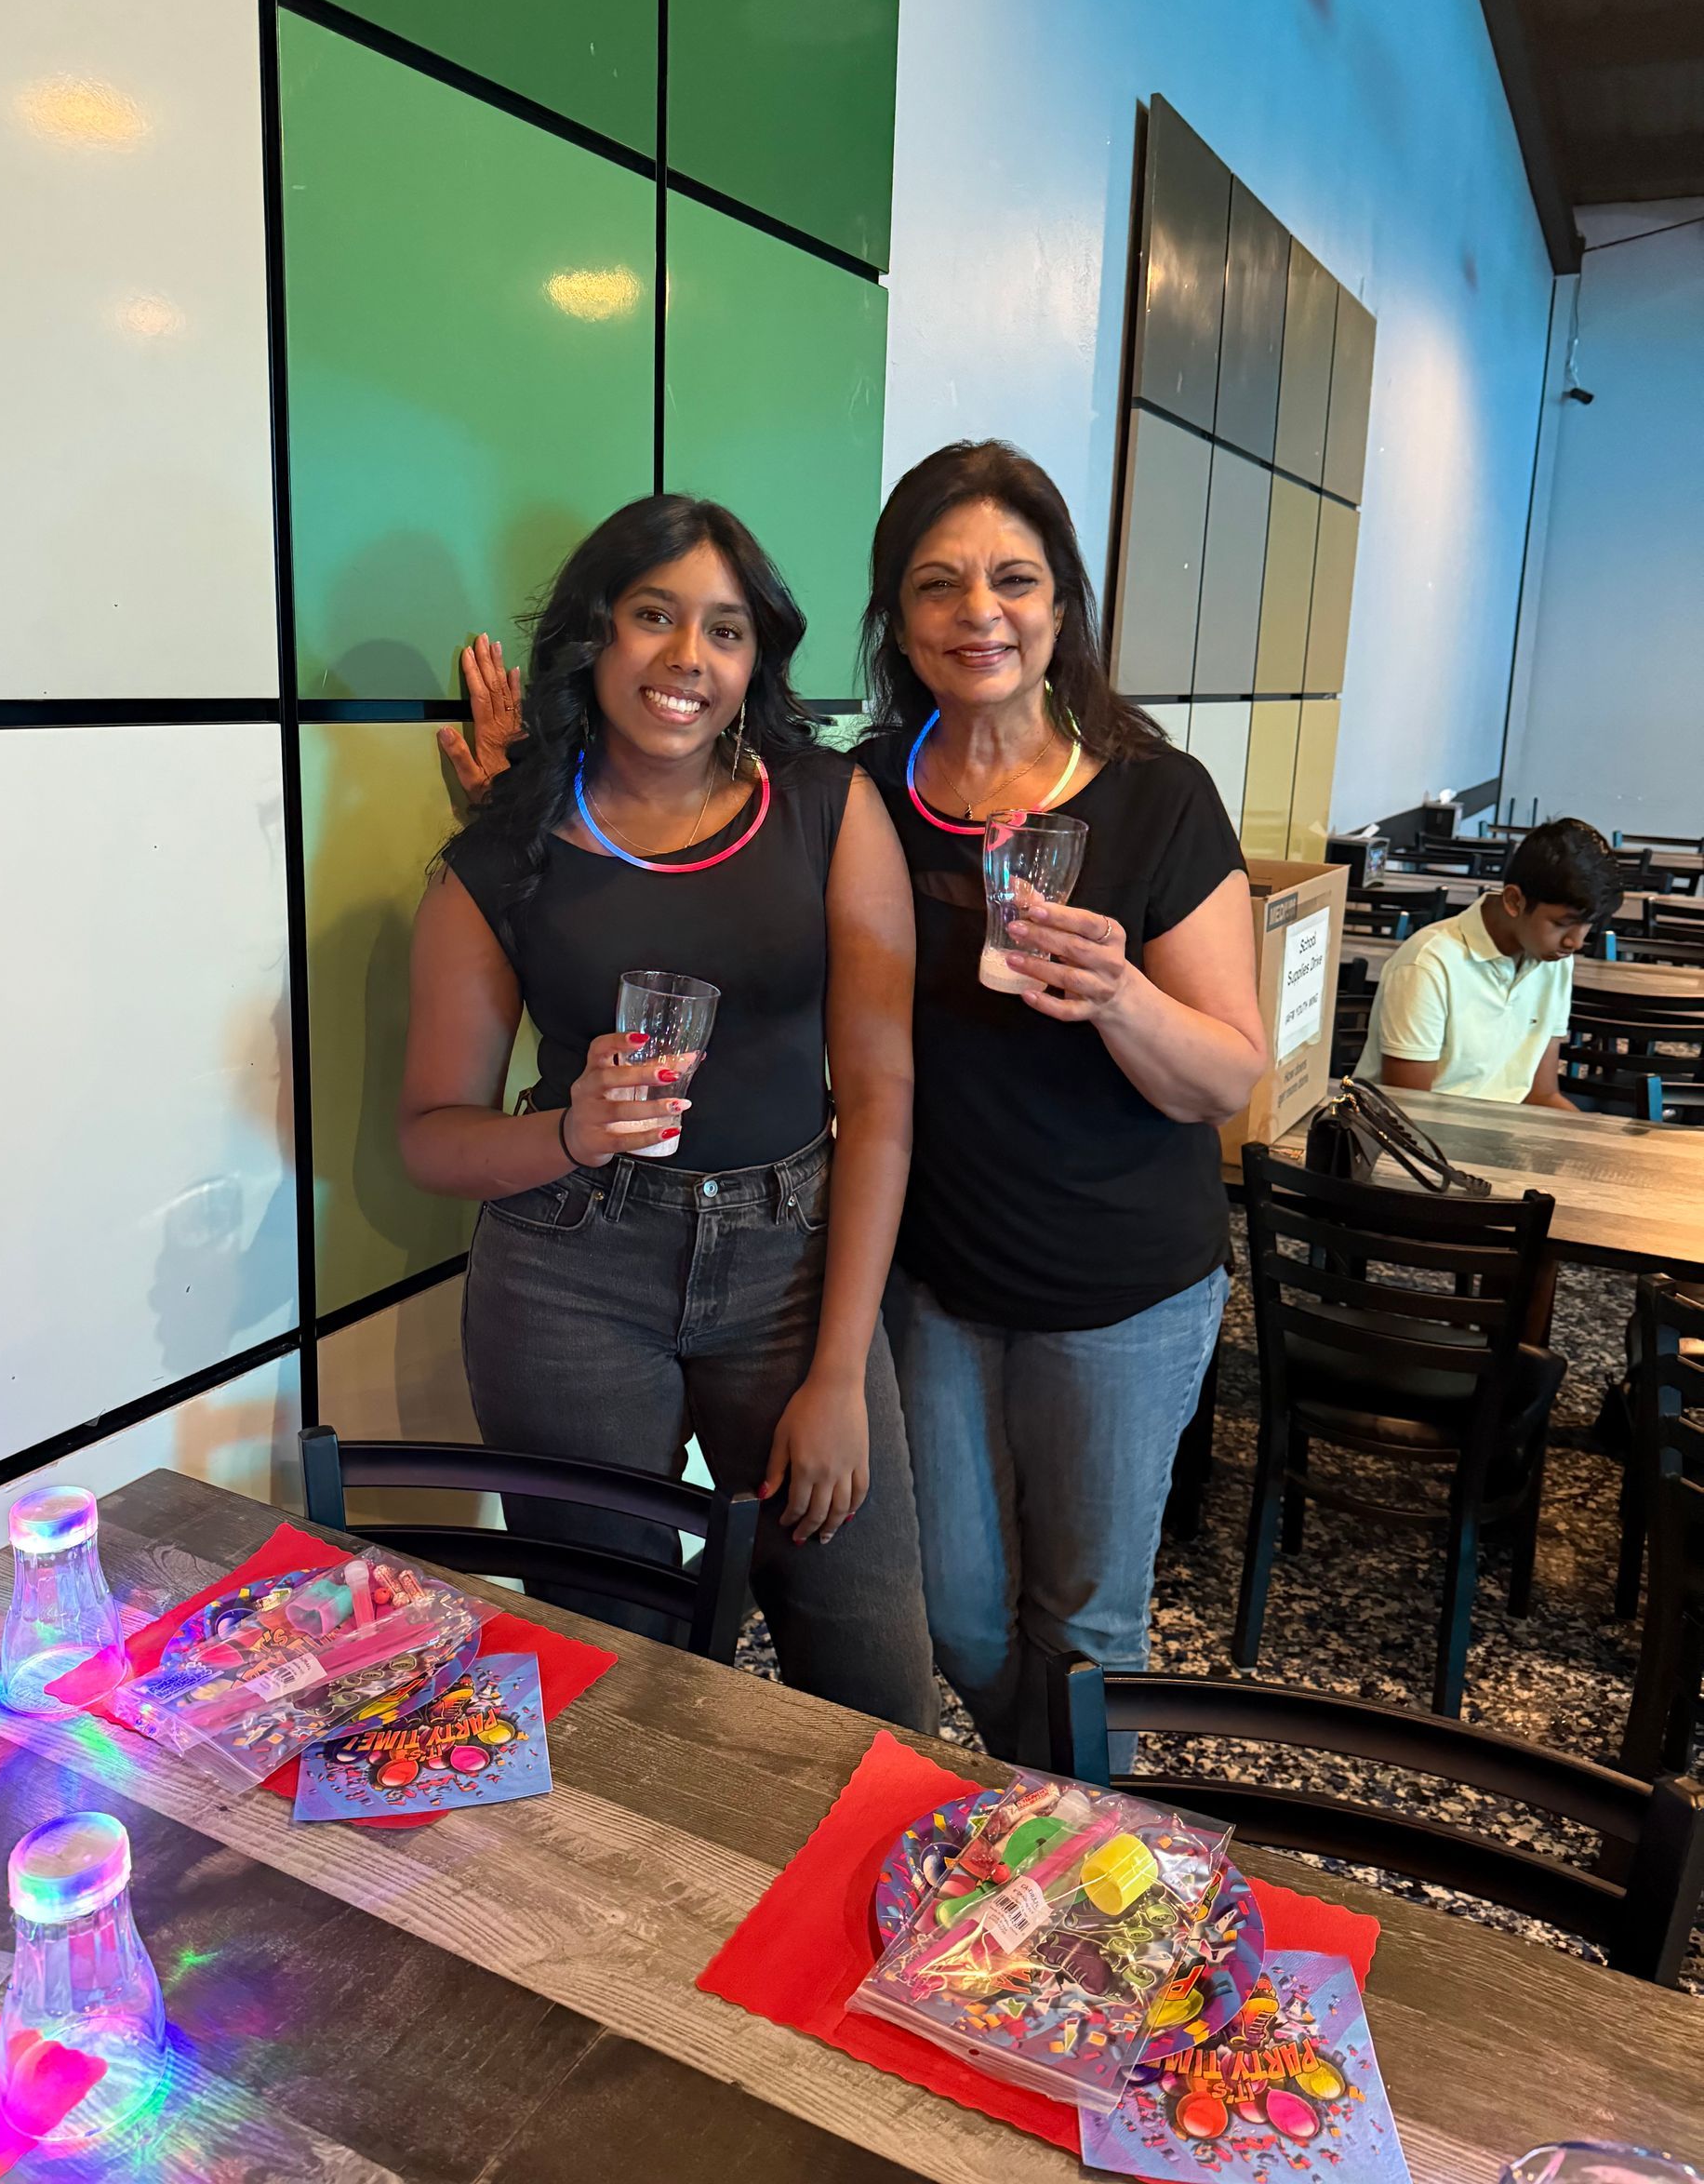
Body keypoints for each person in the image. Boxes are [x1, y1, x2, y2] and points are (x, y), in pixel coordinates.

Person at [403, 493, 938, 1733]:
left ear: (757, 661)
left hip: (792, 1260)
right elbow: (431, 1132)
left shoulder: (823, 808)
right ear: (596, 636)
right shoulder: (504, 856)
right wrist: (573, 1132)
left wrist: (843, 1369)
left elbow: (880, 1089)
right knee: (615, 1678)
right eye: (653, 616)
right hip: (567, 1275)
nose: (688, 659)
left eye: (727, 629)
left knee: (872, 1675)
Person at [855, 440, 1268, 1761]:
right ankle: (1043, 1806)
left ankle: (1078, 1885)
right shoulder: (867, 790)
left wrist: (1121, 996)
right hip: (937, 1280)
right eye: (940, 584)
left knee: (1087, 1627)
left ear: (1060, 607)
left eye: (1014, 580)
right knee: (961, 1618)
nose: (981, 612)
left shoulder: (1156, 795)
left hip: (1122, 1290)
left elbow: (1228, 1072)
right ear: (899, 619)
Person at [1357, 818, 1622, 1108]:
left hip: (1501, 1132)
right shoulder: (1428, 965)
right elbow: (1409, 1113)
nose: (1576, 942)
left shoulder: (1553, 960)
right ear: (1513, 901)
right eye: (1562, 924)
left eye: (1588, 926)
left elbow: (1541, 1094)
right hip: (1423, 1136)